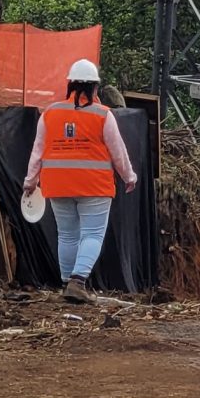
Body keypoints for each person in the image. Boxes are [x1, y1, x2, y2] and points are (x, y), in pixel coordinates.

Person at [22, 59, 139, 304]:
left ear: (70, 84)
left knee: (66, 235)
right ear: (95, 88)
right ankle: (78, 281)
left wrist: (30, 182)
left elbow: (38, 151)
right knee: (93, 234)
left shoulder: (50, 113)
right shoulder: (103, 115)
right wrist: (129, 177)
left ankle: (67, 282)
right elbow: (118, 152)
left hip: (58, 185)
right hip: (94, 186)